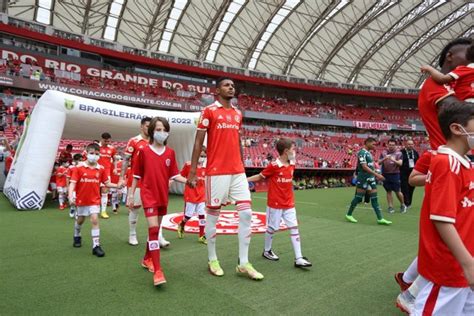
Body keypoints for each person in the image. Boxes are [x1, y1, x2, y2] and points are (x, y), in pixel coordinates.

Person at [187, 77, 264, 280]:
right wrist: (193, 171)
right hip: (216, 171)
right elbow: (198, 142)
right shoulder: (209, 111)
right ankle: (212, 259)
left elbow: (238, 141)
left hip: (237, 171)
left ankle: (244, 263)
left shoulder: (238, 113)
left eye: (232, 85)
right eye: (226, 85)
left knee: (247, 214)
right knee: (213, 216)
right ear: (217, 90)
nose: (231, 87)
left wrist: (242, 164)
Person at [412, 102, 474, 315]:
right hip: (449, 269)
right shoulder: (447, 163)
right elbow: (442, 219)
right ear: (457, 128)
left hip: (464, 267)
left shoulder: (464, 163)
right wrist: (467, 264)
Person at [128, 117, 187, 286]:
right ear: (152, 131)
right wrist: (131, 195)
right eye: (158, 129)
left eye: (164, 129)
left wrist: (191, 181)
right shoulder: (143, 151)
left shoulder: (170, 152)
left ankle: (147, 258)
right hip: (148, 195)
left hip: (163, 196)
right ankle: (158, 270)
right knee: (153, 229)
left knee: (155, 231)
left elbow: (174, 175)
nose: (162, 133)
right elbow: (136, 175)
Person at [247, 138, 312, 268]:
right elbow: (260, 176)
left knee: (294, 228)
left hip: (289, 203)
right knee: (272, 228)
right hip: (275, 204)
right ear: (286, 151)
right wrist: (244, 180)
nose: (295, 151)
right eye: (293, 149)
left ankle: (298, 258)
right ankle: (267, 251)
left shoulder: (292, 162)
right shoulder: (274, 166)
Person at [119, 117, 170, 247]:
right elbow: (126, 160)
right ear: (141, 127)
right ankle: (132, 235)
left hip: (153, 182)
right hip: (137, 181)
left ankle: (158, 236)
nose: (150, 128)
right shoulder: (134, 141)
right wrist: (121, 177)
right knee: (135, 208)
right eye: (147, 126)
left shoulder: (157, 142)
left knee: (157, 211)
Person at [418, 38, 472, 151]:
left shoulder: (461, 85)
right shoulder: (433, 83)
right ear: (450, 56)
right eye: (469, 54)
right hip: (449, 156)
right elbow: (457, 111)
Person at [69, 143, 121, 258]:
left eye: (97, 154)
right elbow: (72, 183)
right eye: (92, 153)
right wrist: (70, 196)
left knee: (94, 220)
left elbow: (107, 183)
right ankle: (77, 234)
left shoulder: (101, 169)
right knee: (80, 220)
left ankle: (96, 246)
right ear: (86, 154)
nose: (94, 156)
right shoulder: (78, 168)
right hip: (82, 199)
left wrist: (118, 185)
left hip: (94, 200)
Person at [345, 137, 392, 225]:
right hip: (363, 178)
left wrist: (376, 171)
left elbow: (372, 165)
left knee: (374, 198)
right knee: (359, 197)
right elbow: (364, 167)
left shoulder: (369, 153)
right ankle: (349, 214)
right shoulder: (362, 152)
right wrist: (377, 174)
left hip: (371, 178)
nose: (375, 146)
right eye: (373, 144)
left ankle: (380, 218)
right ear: (367, 143)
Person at [177, 148, 207, 244]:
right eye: (200, 156)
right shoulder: (188, 165)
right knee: (188, 215)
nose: (202, 158)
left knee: (202, 214)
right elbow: (180, 176)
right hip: (191, 194)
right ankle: (182, 224)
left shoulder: (206, 167)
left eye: (204, 156)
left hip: (201, 195)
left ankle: (201, 235)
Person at [378, 139, 407, 213]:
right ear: (387, 145)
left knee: (397, 191)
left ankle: (403, 205)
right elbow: (379, 162)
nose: (391, 146)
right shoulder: (384, 152)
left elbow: (400, 164)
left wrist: (393, 159)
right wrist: (385, 158)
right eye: (390, 145)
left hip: (395, 174)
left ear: (395, 145)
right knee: (388, 191)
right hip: (385, 174)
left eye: (393, 145)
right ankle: (390, 207)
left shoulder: (399, 153)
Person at [98, 132, 116, 219]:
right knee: (94, 191)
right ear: (101, 139)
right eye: (105, 141)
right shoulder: (96, 147)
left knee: (105, 191)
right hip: (96, 172)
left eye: (109, 141)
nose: (107, 143)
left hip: (107, 172)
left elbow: (115, 159)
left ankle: (103, 211)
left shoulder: (112, 148)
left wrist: (115, 168)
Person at [399, 139, 419, 209]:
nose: (410, 145)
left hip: (413, 173)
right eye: (409, 144)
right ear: (405, 145)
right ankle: (405, 203)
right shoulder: (401, 152)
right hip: (403, 173)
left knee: (411, 188)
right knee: (404, 188)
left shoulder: (415, 153)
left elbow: (418, 162)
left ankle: (409, 203)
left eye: (411, 144)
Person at [66, 153, 83, 218]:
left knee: (78, 201)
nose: (81, 161)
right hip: (73, 187)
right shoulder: (71, 168)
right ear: (75, 160)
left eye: (81, 160)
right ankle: (72, 208)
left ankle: (77, 213)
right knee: (72, 202)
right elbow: (67, 178)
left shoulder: (83, 167)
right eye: (79, 160)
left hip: (80, 187)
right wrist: (68, 187)